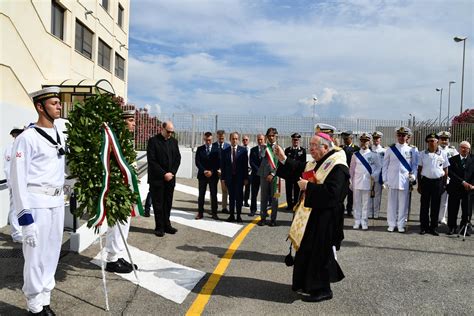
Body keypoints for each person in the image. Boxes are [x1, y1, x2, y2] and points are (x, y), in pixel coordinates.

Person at [10, 87, 65, 315]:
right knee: (35, 256)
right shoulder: (26, 138)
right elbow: (18, 179)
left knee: (52, 254)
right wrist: (26, 218)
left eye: (59, 102)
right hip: (37, 203)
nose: (59, 106)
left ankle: (45, 299)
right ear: (40, 107)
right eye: (54, 103)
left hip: (57, 202)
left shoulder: (59, 133)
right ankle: (34, 305)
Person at [275, 132, 348, 302]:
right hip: (312, 215)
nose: (311, 150)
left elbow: (334, 194)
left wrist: (308, 186)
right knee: (306, 249)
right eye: (310, 146)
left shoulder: (337, 166)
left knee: (320, 254)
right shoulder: (319, 162)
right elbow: (301, 168)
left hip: (326, 218)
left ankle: (323, 289)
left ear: (325, 147)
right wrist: (284, 158)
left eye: (314, 146)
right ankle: (305, 283)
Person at [104, 110, 138, 273]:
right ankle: (111, 260)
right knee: (115, 225)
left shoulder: (126, 141)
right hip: (117, 189)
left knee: (124, 223)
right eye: (131, 120)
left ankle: (117, 254)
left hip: (127, 189)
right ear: (123, 122)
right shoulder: (114, 141)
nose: (134, 123)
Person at [147, 121, 181, 237]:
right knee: (158, 204)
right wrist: (163, 174)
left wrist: (172, 173)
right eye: (168, 131)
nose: (170, 134)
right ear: (162, 129)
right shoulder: (153, 141)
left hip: (170, 179)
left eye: (172, 132)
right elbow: (152, 161)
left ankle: (167, 225)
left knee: (168, 203)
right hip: (158, 179)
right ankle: (159, 227)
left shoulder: (174, 142)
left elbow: (177, 158)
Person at [382, 127, 418, 233]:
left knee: (403, 204)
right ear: (396, 136)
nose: (401, 137)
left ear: (407, 137)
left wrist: (414, 176)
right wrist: (385, 180)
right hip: (392, 179)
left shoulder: (412, 150)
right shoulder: (390, 149)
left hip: (405, 180)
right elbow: (385, 166)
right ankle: (391, 224)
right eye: (400, 135)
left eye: (404, 135)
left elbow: (415, 165)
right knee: (391, 204)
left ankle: (401, 224)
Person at [417, 133, 449, 236]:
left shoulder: (443, 154)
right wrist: (419, 184)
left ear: (438, 141)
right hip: (426, 182)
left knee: (435, 206)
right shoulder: (422, 153)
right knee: (424, 206)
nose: (432, 142)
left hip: (438, 182)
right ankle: (424, 227)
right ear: (427, 142)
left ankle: (433, 227)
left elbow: (445, 169)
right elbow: (419, 169)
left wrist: (444, 184)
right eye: (430, 141)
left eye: (434, 140)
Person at [350, 133, 381, 230]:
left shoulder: (373, 155)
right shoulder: (355, 155)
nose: (364, 143)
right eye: (362, 141)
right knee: (356, 203)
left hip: (367, 182)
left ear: (370, 141)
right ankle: (357, 221)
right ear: (360, 142)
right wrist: (350, 181)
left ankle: (364, 221)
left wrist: (374, 175)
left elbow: (379, 167)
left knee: (366, 203)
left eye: (366, 141)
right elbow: (351, 169)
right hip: (357, 182)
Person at [446, 141, 474, 235]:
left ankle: (464, 227)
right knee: (453, 208)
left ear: (469, 150)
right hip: (455, 187)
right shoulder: (452, 159)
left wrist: (472, 185)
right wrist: (463, 182)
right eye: (462, 147)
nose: (463, 149)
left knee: (467, 210)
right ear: (459, 148)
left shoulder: (472, 160)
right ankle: (452, 227)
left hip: (468, 189)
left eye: (466, 148)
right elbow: (450, 173)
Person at [220, 132, 249, 223]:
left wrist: (246, 178)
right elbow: (223, 166)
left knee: (239, 198)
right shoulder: (225, 151)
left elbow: (245, 166)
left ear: (238, 139)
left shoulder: (243, 151)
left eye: (236, 139)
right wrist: (223, 179)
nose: (234, 140)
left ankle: (239, 216)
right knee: (231, 197)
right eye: (233, 138)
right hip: (229, 178)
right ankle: (231, 215)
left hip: (239, 179)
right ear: (230, 139)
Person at [4, 127, 24, 243]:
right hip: (14, 183)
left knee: (23, 207)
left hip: (24, 183)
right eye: (17, 134)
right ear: (14, 135)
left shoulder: (23, 147)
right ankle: (16, 234)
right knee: (14, 208)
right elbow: (7, 168)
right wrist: (12, 183)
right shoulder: (10, 148)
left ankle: (21, 231)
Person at [257, 128, 279, 227]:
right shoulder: (264, 147)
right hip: (264, 176)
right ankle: (263, 218)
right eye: (269, 136)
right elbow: (261, 156)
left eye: (272, 135)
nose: (271, 137)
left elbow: (280, 163)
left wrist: (273, 174)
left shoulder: (279, 148)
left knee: (275, 199)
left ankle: (273, 219)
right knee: (263, 198)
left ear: (276, 136)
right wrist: (264, 148)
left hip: (275, 178)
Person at [195, 132, 219, 220]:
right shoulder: (200, 149)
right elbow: (197, 162)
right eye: (206, 140)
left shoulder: (216, 149)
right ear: (204, 139)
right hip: (202, 175)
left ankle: (214, 213)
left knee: (213, 194)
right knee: (201, 195)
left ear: (212, 140)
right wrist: (204, 171)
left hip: (213, 176)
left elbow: (218, 162)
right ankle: (200, 213)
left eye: (209, 140)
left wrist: (212, 171)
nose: (208, 142)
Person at [437, 131, 459, 225]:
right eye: (442, 139)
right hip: (437, 177)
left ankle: (442, 217)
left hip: (448, 177)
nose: (444, 141)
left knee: (444, 199)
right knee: (434, 198)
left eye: (446, 139)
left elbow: (457, 161)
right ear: (439, 140)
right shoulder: (435, 149)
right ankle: (434, 216)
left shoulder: (452, 150)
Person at [284, 133, 307, 210]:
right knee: (288, 190)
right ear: (292, 140)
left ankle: (296, 204)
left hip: (297, 174)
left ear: (299, 141)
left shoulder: (303, 151)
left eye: (297, 140)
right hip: (289, 174)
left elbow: (303, 163)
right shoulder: (287, 150)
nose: (295, 141)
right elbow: (285, 162)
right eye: (294, 140)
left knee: (297, 190)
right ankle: (289, 205)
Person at [341, 131, 360, 217]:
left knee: (351, 193)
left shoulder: (356, 149)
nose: (345, 140)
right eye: (344, 139)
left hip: (352, 173)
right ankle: (341, 208)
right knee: (342, 192)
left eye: (347, 139)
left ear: (351, 139)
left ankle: (349, 209)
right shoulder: (341, 148)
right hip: (342, 174)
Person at [368, 131, 386, 219]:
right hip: (368, 175)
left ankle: (376, 213)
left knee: (377, 195)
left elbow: (384, 164)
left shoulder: (383, 151)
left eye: (377, 138)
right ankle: (369, 212)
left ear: (380, 139)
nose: (376, 140)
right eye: (374, 138)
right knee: (369, 194)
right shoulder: (369, 149)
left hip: (379, 175)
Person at [211, 130, 230, 214]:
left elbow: (229, 160)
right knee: (213, 190)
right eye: (219, 137)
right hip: (214, 172)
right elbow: (211, 159)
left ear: (224, 137)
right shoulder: (213, 146)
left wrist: (223, 170)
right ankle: (213, 207)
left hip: (225, 172)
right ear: (217, 136)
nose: (221, 138)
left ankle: (224, 207)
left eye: (222, 137)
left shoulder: (228, 146)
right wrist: (215, 169)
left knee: (225, 190)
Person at [249, 134, 264, 216]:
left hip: (264, 176)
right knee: (254, 194)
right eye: (259, 139)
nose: (260, 141)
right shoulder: (253, 150)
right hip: (255, 175)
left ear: (264, 140)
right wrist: (259, 170)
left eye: (261, 139)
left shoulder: (267, 150)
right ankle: (253, 210)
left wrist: (263, 172)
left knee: (264, 195)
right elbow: (251, 162)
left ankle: (263, 211)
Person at [242, 135, 251, 207]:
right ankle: (240, 200)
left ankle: (246, 201)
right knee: (240, 187)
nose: (245, 141)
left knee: (248, 188)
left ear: (248, 141)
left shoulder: (251, 150)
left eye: (246, 140)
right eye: (244, 140)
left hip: (249, 171)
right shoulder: (240, 149)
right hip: (241, 171)